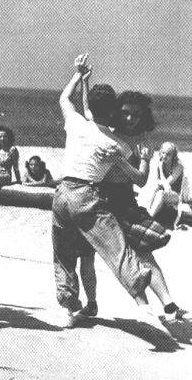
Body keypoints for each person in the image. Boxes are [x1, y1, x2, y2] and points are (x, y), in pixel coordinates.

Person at [52, 54, 151, 328]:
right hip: (87, 194)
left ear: (91, 109)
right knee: (114, 243)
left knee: (63, 255)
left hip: (61, 193)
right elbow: (140, 179)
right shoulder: (118, 144)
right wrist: (142, 158)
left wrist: (79, 75)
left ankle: (67, 309)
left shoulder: (75, 123)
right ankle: (135, 280)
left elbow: (65, 98)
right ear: (113, 113)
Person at [90, 86, 189, 321]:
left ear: (144, 116)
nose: (130, 119)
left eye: (136, 114)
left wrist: (126, 161)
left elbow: (142, 180)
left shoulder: (143, 141)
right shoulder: (107, 133)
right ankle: (94, 304)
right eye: (125, 113)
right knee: (108, 256)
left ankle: (169, 304)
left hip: (124, 200)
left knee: (144, 252)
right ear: (117, 113)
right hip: (100, 199)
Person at [146, 142, 184, 218]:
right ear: (160, 152)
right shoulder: (161, 164)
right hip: (165, 192)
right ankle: (148, 211)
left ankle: (150, 217)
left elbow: (168, 183)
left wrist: (160, 169)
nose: (164, 156)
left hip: (177, 195)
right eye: (163, 153)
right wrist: (161, 183)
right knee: (156, 189)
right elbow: (158, 182)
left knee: (160, 193)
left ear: (173, 155)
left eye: (168, 154)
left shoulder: (178, 166)